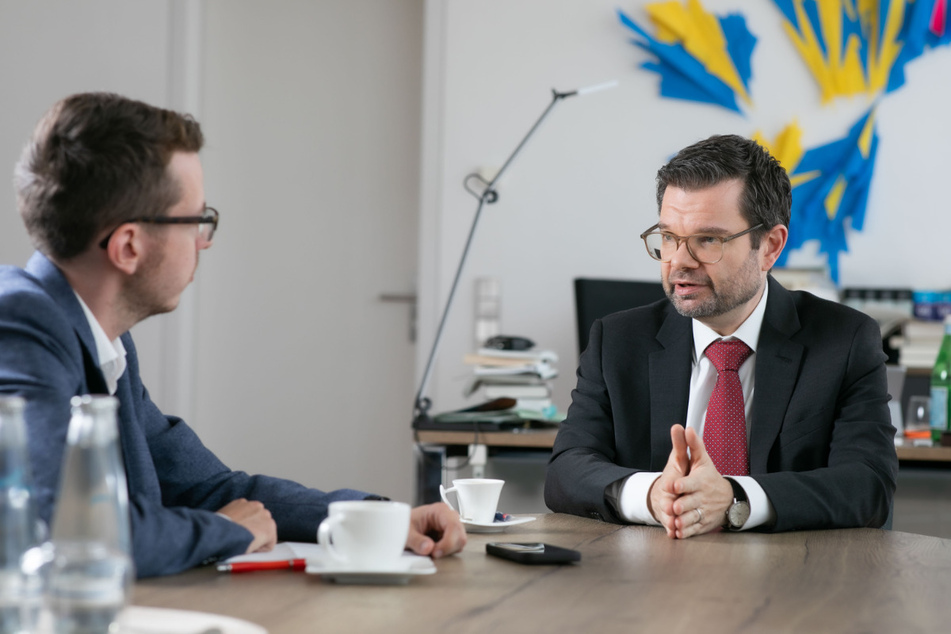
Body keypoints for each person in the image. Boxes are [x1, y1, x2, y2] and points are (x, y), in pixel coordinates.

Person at [0, 92, 466, 577]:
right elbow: (74, 531)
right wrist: (228, 532)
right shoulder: (21, 327)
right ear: (129, 246)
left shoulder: (105, 344)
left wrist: (376, 518)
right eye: (198, 220)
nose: (207, 240)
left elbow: (210, 489)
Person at [545, 134, 897, 538]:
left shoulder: (845, 340)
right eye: (669, 237)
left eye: (707, 239)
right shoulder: (618, 340)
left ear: (770, 246)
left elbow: (868, 485)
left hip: (793, 585)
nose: (679, 261)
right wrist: (652, 494)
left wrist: (733, 498)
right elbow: (565, 470)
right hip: (649, 583)